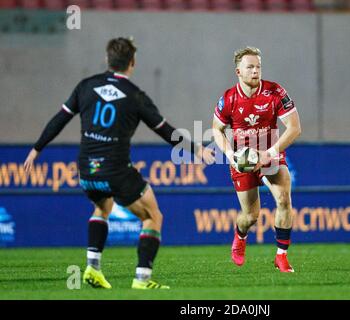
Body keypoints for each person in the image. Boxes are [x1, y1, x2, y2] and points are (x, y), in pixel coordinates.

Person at [24, 37, 215, 289]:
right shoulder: (135, 96)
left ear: (107, 59)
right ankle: (142, 279)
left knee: (102, 207)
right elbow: (165, 131)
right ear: (132, 63)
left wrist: (37, 148)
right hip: (115, 169)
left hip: (86, 169)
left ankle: (93, 268)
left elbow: (59, 119)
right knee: (153, 216)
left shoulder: (86, 86)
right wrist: (195, 149)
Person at [212, 47, 301, 272]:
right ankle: (240, 237)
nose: (255, 71)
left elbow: (294, 128)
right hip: (243, 160)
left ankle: (281, 256)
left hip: (269, 154)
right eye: (250, 67)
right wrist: (231, 156)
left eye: (258, 67)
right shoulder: (229, 98)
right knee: (250, 216)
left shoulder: (275, 92)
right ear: (238, 72)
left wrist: (270, 153)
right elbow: (216, 130)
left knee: (283, 199)